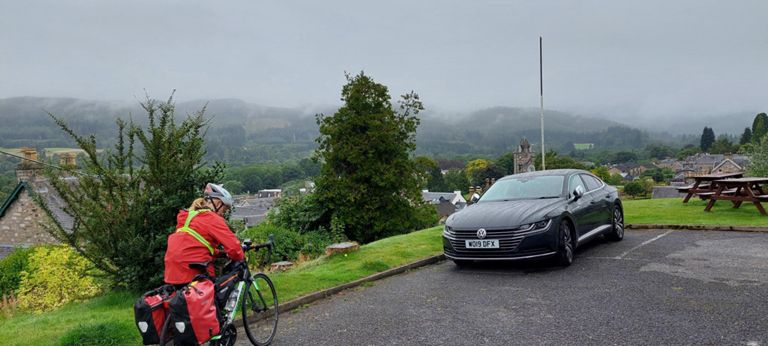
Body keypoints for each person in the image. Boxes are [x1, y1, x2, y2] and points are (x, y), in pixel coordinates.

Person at [164, 183, 245, 285]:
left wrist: (218, 253)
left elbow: (191, 243)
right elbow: (233, 246)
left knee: (182, 298)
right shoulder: (211, 218)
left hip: (172, 269)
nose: (222, 214)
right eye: (224, 209)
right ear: (217, 203)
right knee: (214, 293)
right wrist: (240, 258)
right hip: (193, 269)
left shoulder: (186, 217)